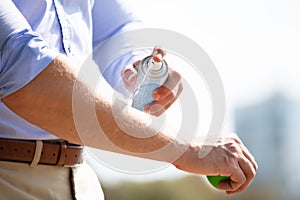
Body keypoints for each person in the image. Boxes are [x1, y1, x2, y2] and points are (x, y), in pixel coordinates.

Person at [0, 0, 257, 199]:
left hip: (80, 178)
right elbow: (26, 75)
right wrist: (183, 147)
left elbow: (117, 31)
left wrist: (139, 68)